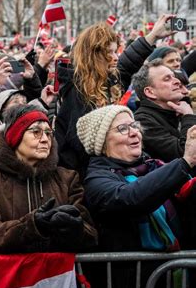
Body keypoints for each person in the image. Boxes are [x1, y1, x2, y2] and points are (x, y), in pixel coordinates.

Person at [76, 105, 196, 288]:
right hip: (129, 284)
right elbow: (132, 198)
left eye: (134, 125)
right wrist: (186, 161)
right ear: (101, 142)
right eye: (123, 129)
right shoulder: (96, 179)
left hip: (172, 278)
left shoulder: (154, 166)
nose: (134, 133)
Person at [55, 15, 176, 177]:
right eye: (109, 53)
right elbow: (81, 145)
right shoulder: (77, 90)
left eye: (115, 51)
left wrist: (152, 36)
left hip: (108, 169)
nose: (115, 57)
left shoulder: (104, 82)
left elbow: (126, 64)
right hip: (86, 177)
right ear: (93, 56)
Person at [0, 105, 97, 253]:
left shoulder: (67, 178)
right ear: (15, 137)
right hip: (12, 274)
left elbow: (91, 235)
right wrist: (31, 226)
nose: (45, 139)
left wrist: (74, 229)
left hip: (56, 274)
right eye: (36, 132)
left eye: (49, 133)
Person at [133, 60, 196, 162]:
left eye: (173, 76)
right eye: (167, 79)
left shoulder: (178, 109)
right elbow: (185, 155)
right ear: (150, 92)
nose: (177, 81)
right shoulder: (143, 121)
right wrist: (188, 116)